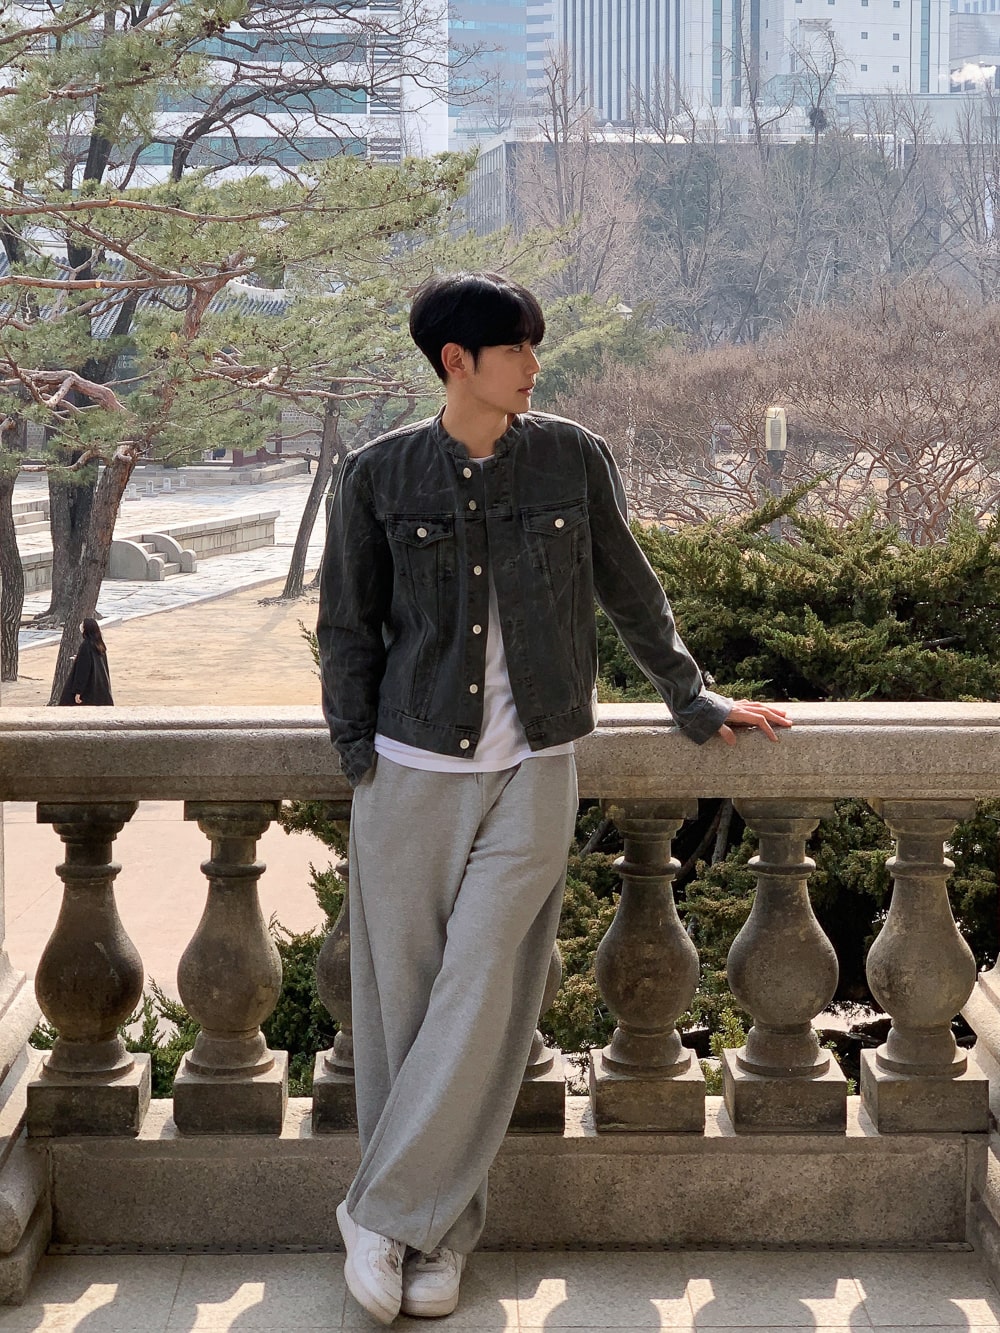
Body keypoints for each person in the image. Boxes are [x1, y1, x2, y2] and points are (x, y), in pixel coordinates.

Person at [317, 271, 790, 1326]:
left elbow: (631, 586)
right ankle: (436, 1239)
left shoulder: (572, 457)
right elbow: (348, 626)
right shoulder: (378, 474)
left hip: (536, 768)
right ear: (457, 362)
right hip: (409, 768)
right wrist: (357, 754)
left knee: (487, 993)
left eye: (536, 346)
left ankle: (378, 1214)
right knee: (405, 1009)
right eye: (518, 348)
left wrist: (691, 696)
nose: (536, 365)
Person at [57, 617, 114, 706]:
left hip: (88, 689)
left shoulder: (86, 646)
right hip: (100, 686)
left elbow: (83, 670)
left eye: (82, 625)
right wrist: (79, 658)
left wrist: (78, 691)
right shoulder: (99, 645)